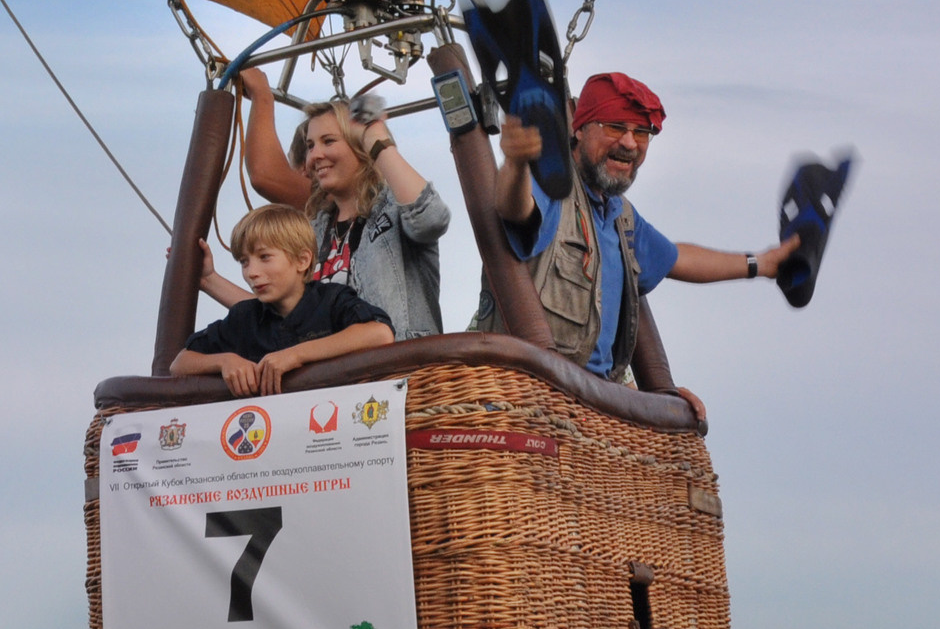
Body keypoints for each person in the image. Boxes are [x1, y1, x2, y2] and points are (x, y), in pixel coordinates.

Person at [477, 71, 799, 420]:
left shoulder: (621, 217)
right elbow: (515, 209)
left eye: (642, 132)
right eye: (615, 127)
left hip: (590, 408)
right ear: (580, 128)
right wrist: (516, 163)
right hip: (523, 401)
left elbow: (677, 259)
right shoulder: (551, 184)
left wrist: (763, 264)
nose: (630, 143)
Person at [233, 68, 450, 340]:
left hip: (398, 362)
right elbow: (281, 309)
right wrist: (208, 279)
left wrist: (376, 140)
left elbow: (430, 218)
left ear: (359, 145)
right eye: (310, 145)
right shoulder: (314, 230)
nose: (315, 155)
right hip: (333, 366)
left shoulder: (393, 209)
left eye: (328, 141)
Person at [174, 204, 396, 395]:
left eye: (264, 257)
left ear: (302, 260)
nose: (251, 272)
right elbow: (179, 363)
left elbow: (380, 333)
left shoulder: (331, 300)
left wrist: (295, 355)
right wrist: (225, 361)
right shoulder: (244, 318)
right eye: (244, 262)